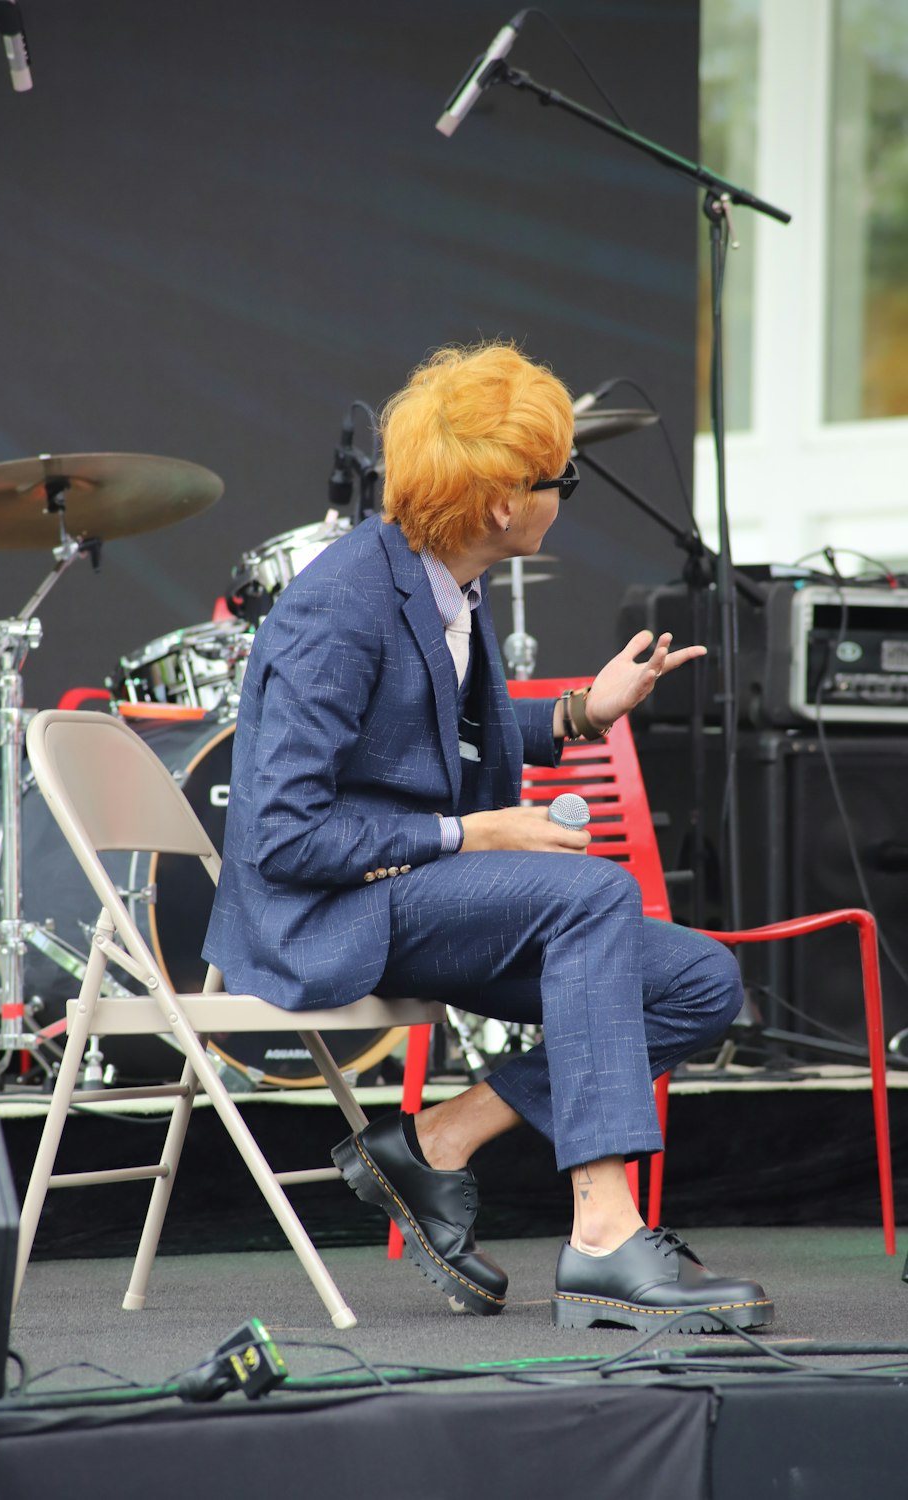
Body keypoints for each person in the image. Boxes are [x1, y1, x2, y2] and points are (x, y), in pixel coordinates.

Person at [204, 341, 772, 1333]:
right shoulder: (338, 607)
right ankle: (602, 1237)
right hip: (327, 911)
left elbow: (425, 731)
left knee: (699, 981)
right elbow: (281, 838)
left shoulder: (434, 580)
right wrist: (469, 832)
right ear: (505, 504)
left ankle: (436, 1141)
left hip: (399, 889)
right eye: (565, 477)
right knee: (588, 894)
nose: (568, 490)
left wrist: (578, 716)